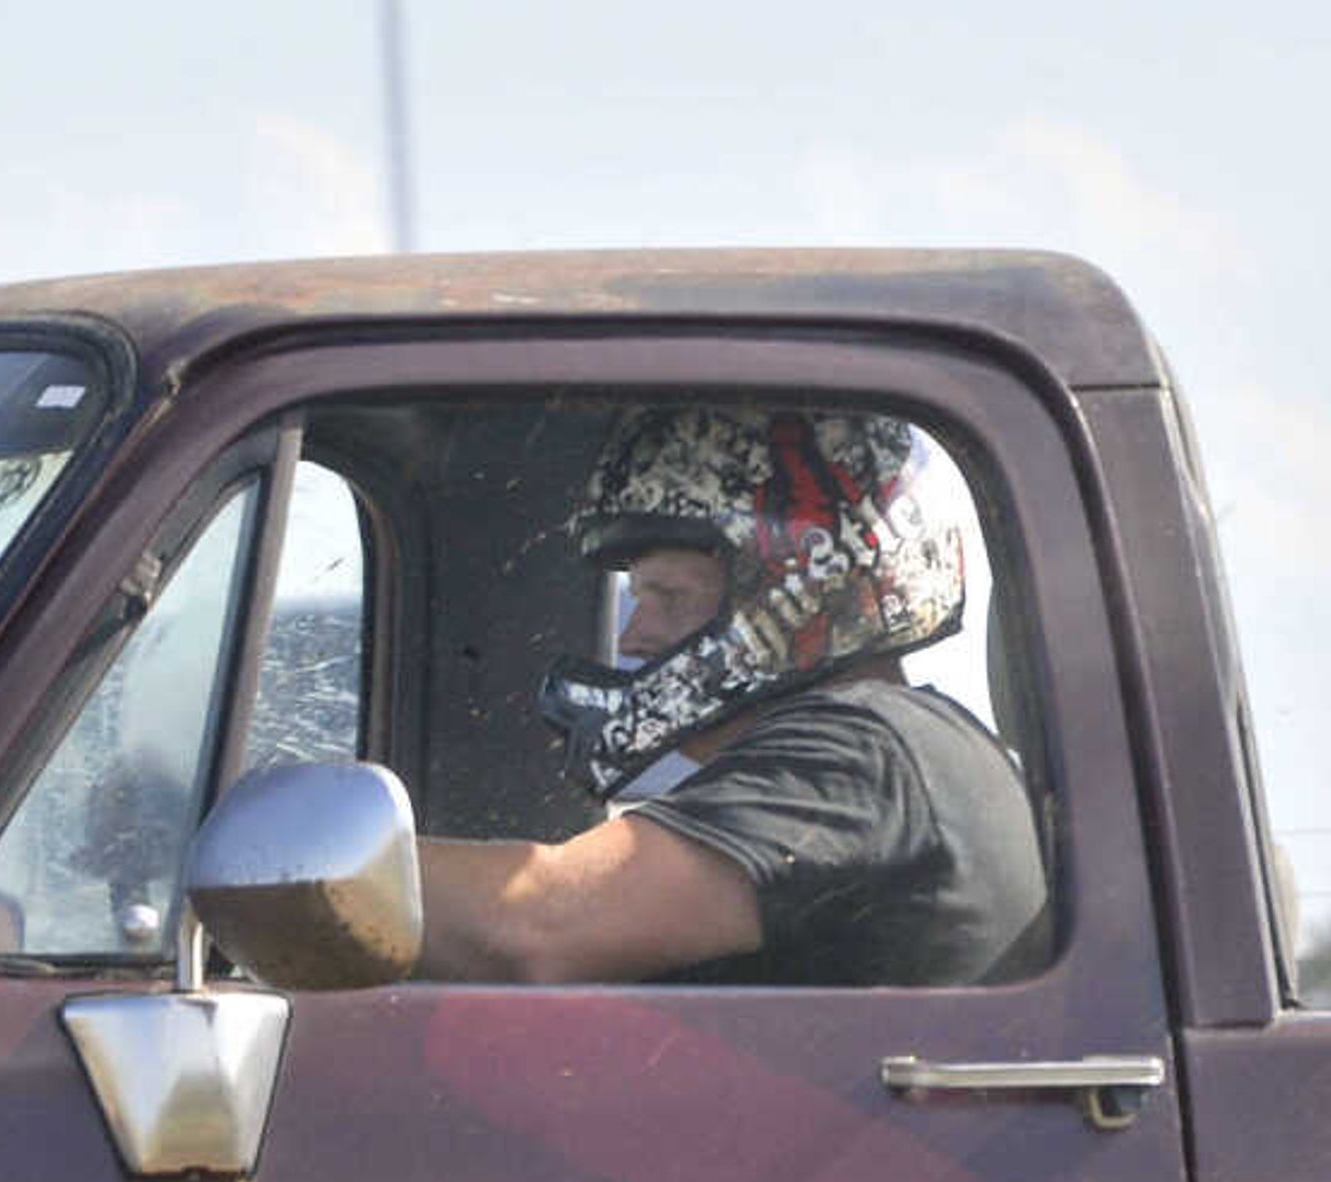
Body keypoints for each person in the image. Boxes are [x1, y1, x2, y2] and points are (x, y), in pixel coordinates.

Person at [412, 405, 1048, 986]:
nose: (635, 636)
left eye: (669, 597)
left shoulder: (857, 751)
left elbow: (541, 926)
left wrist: (333, 870)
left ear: (802, 590)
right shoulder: (909, 745)